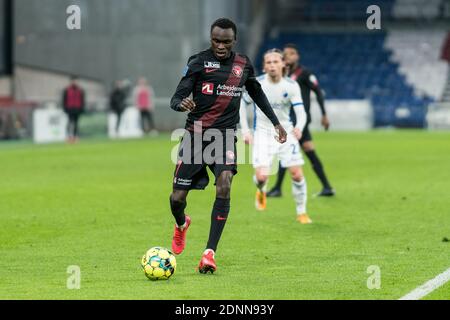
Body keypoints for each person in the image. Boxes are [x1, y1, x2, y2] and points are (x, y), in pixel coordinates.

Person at [168, 18, 287, 274]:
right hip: (195, 137)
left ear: (234, 41)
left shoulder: (243, 64)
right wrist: (181, 103)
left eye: (225, 41)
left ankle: (209, 253)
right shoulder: (197, 62)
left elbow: (257, 93)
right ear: (210, 39)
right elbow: (177, 96)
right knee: (177, 199)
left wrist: (276, 123)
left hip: (224, 137)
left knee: (224, 184)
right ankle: (181, 225)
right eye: (216, 40)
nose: (220, 46)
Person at [240, 49, 312, 224]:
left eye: (275, 62)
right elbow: (242, 104)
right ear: (264, 67)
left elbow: (301, 113)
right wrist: (246, 131)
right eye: (268, 62)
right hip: (263, 134)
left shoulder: (291, 86)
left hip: (286, 133)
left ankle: (301, 212)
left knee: (296, 174)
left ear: (283, 64)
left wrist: (299, 127)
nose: (272, 65)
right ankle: (261, 188)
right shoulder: (256, 84)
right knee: (262, 177)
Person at [267, 43, 335, 197]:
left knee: (286, 151)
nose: (288, 56)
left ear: (297, 56)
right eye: (286, 53)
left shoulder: (304, 73)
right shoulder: (283, 75)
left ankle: (277, 188)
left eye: (291, 53)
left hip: (299, 122)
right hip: (289, 120)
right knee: (310, 152)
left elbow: (318, 91)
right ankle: (327, 187)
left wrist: (324, 114)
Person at [62, 76, 85, 143]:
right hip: (70, 109)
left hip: (77, 109)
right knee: (69, 122)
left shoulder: (80, 90)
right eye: (73, 81)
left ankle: (75, 137)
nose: (75, 82)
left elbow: (82, 100)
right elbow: (64, 100)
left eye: (76, 81)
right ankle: (69, 137)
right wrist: (65, 108)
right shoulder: (67, 90)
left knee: (76, 123)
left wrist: (82, 108)